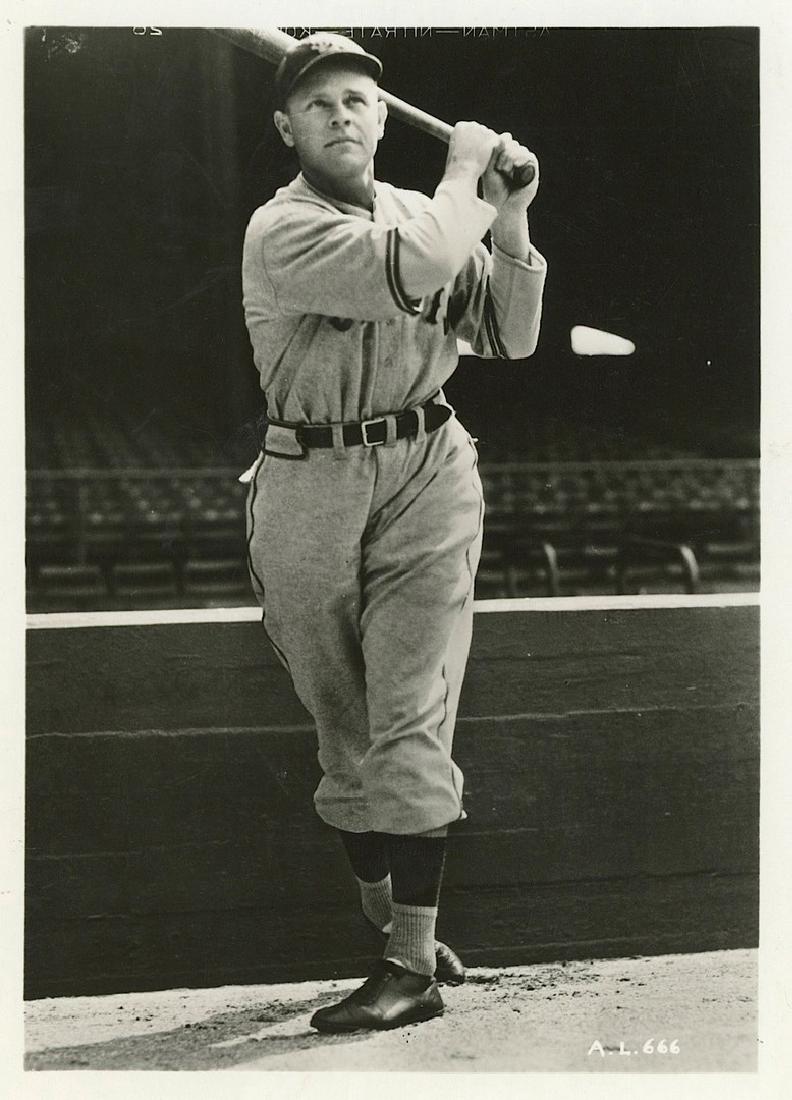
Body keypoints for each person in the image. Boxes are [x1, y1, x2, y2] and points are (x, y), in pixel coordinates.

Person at [241, 32, 547, 1032]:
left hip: (427, 468)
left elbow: (508, 335)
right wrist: (467, 173)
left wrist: (509, 216)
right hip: (309, 479)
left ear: (380, 118)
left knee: (412, 716)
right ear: (286, 127)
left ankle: (409, 963)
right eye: (317, 102)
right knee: (347, 735)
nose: (340, 114)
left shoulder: (432, 213)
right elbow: (413, 266)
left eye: (357, 100)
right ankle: (391, 923)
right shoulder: (281, 229)